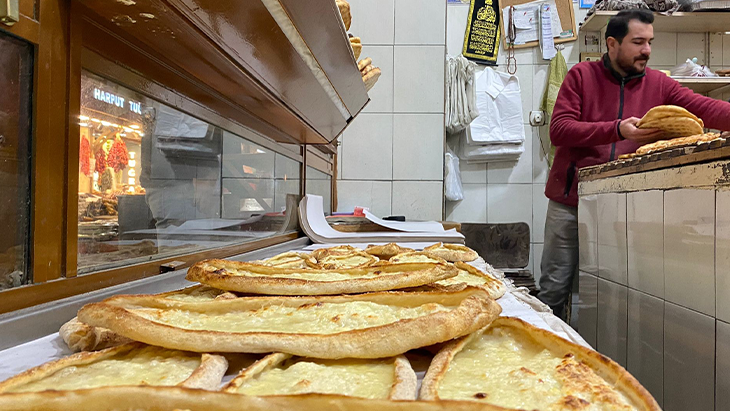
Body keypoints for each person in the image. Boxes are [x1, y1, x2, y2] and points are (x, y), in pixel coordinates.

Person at [538, 9, 730, 320]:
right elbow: (559, 129)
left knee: (612, 291)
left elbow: (703, 107)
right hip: (570, 202)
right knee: (554, 289)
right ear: (612, 44)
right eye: (638, 42)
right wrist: (616, 129)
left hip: (624, 206)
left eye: (650, 42)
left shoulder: (659, 84)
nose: (647, 50)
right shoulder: (582, 76)